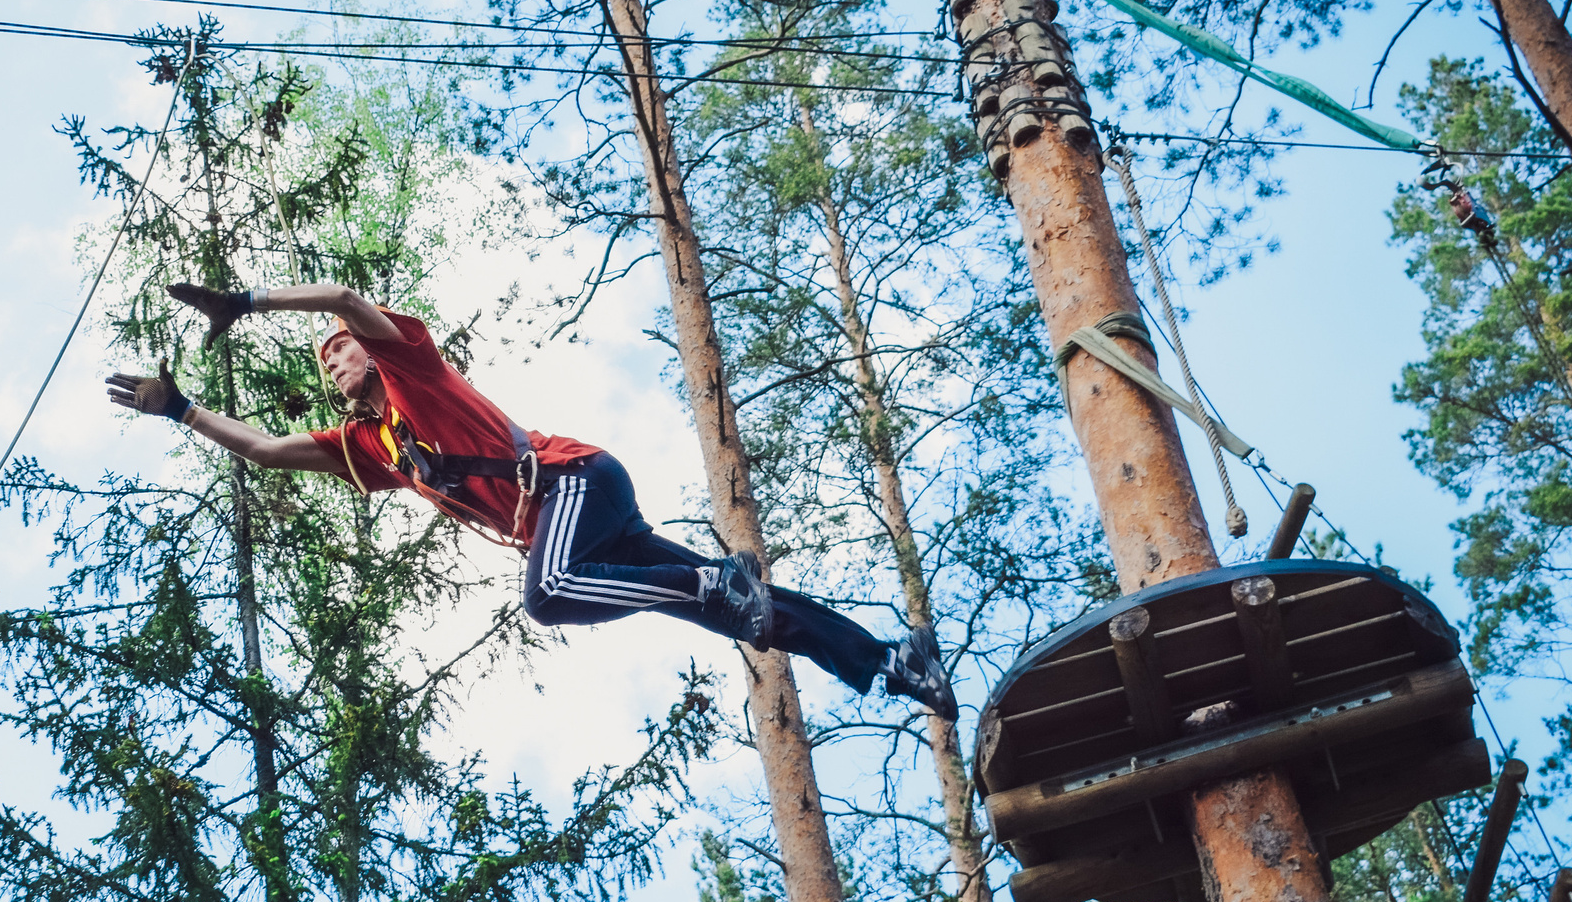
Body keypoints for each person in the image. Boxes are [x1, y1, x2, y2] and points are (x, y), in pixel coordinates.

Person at [104, 279, 955, 716]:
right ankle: (890, 660)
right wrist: (178, 408)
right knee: (742, 613)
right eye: (325, 361)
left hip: (574, 481)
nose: (335, 358)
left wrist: (243, 304)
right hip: (578, 529)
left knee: (549, 597)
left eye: (340, 351)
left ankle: (707, 584)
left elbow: (338, 297)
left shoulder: (412, 370)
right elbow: (262, 447)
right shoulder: (369, 447)